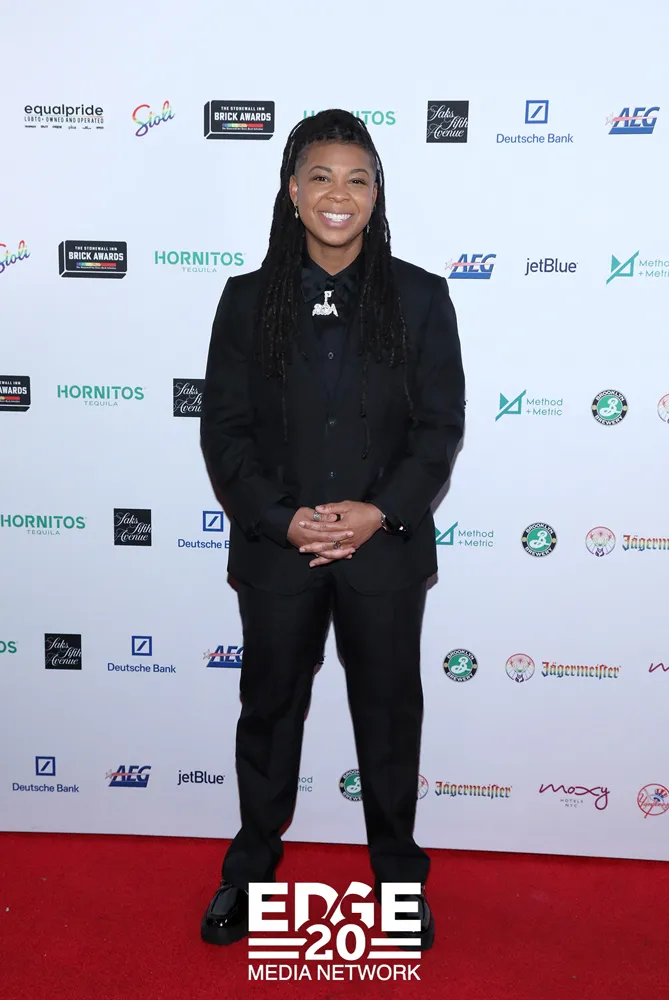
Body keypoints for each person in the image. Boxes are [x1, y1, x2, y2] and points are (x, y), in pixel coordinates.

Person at [199, 109, 465, 951]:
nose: (337, 194)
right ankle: (249, 871)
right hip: (277, 554)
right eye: (319, 176)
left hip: (383, 552)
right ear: (292, 191)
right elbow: (225, 432)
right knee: (268, 713)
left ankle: (397, 881)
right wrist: (282, 521)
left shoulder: (420, 297)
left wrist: (378, 511)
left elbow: (439, 428)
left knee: (388, 719)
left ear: (375, 194)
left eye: (356, 178)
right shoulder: (247, 301)